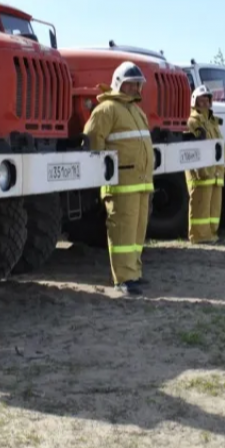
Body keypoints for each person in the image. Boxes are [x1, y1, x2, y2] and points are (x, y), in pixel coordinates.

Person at [84, 61, 155, 297]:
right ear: (119, 83)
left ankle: (134, 272)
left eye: (137, 84)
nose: (135, 88)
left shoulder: (136, 110)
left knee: (136, 233)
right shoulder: (106, 109)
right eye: (130, 83)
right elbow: (93, 141)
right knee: (123, 232)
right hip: (121, 184)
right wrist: (100, 175)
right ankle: (123, 279)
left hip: (141, 183)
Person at [186, 85, 225, 243]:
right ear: (194, 102)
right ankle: (199, 236)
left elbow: (222, 148)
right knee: (200, 206)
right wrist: (199, 170)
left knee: (214, 208)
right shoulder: (191, 122)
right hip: (201, 174)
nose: (204, 103)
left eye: (207, 100)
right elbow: (191, 150)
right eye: (201, 100)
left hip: (215, 173)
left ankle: (211, 234)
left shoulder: (212, 123)